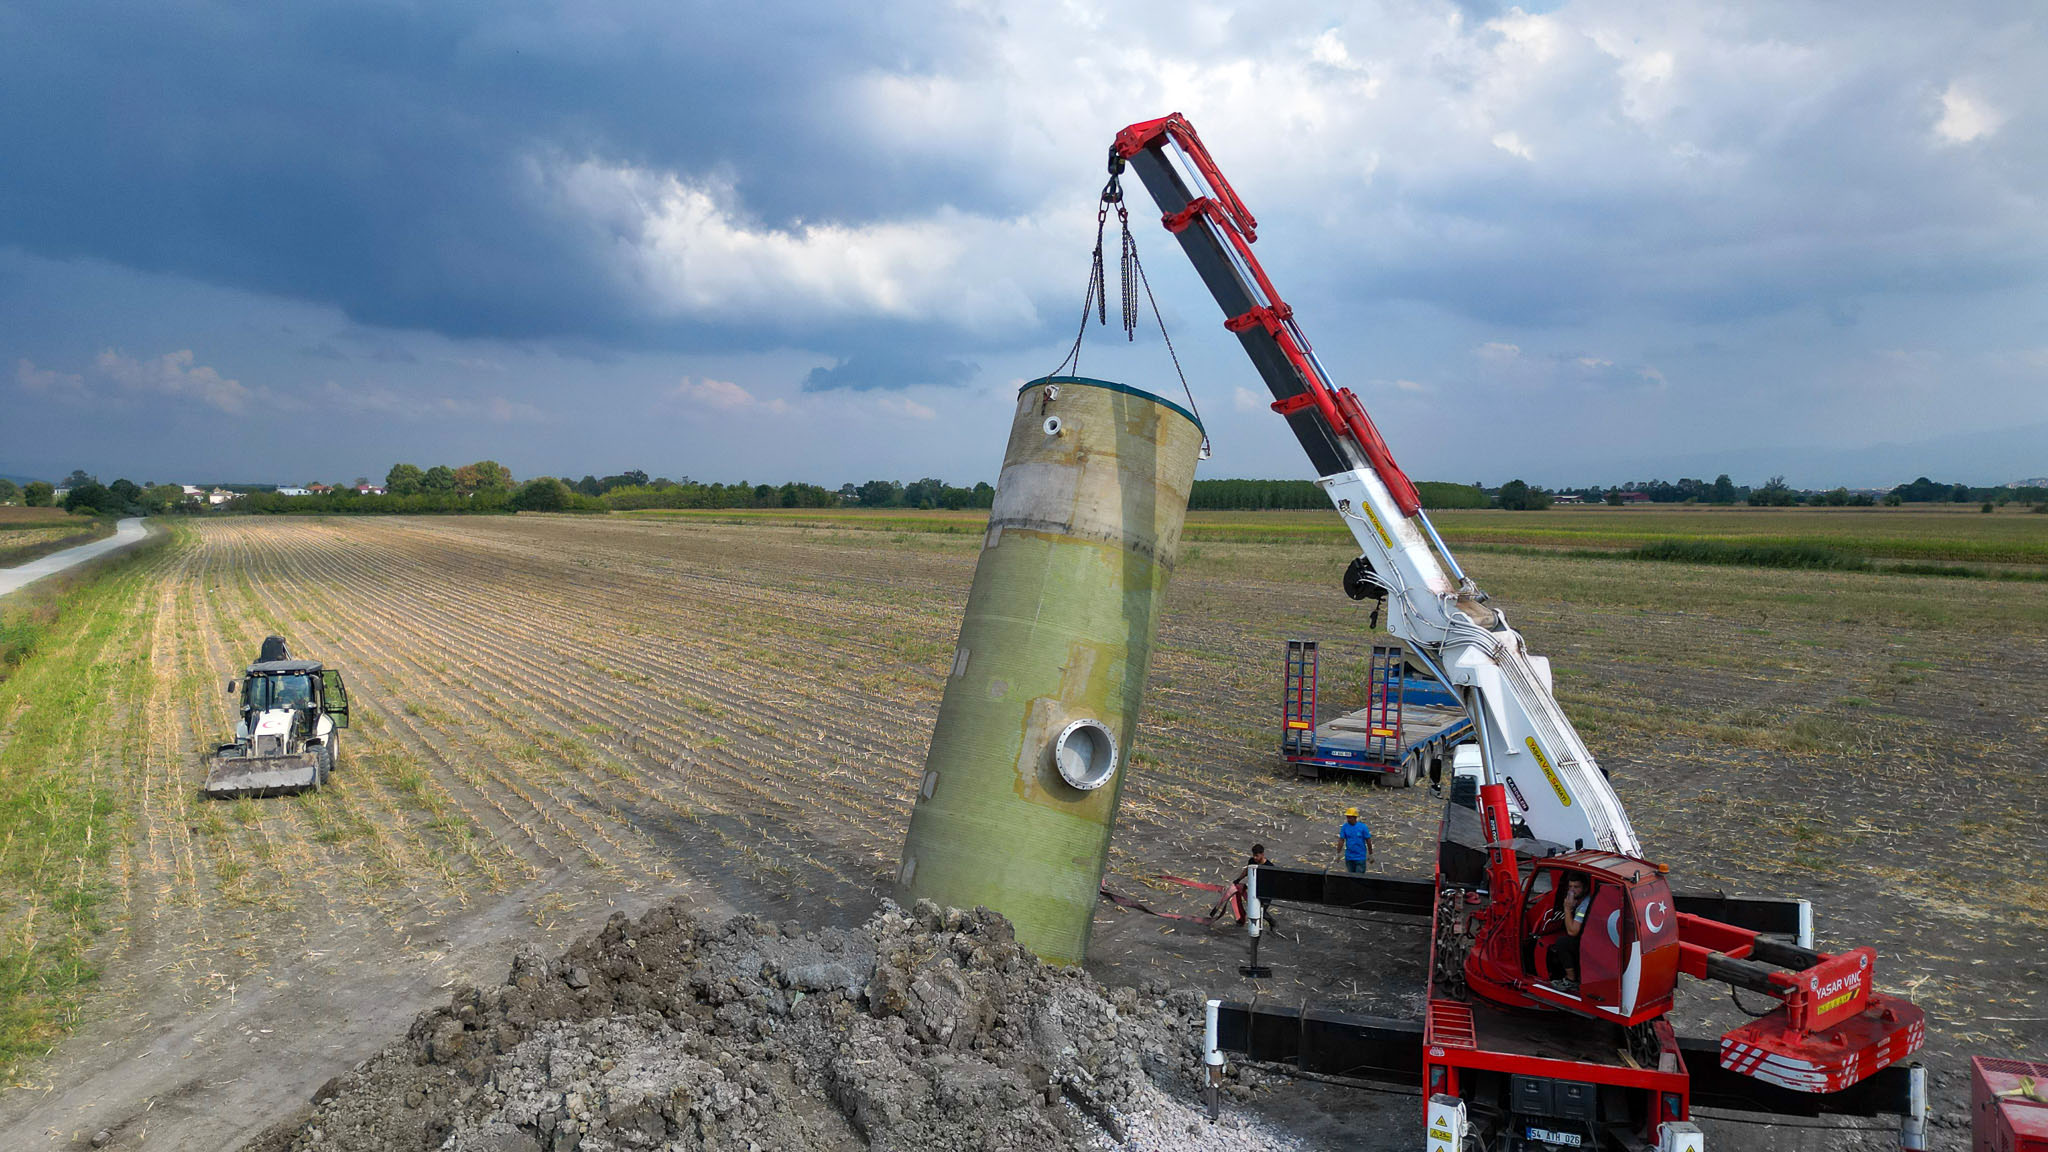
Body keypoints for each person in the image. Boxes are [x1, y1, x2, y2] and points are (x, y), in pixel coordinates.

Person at [1546, 875, 1591, 992]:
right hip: (1590, 936)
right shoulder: (1582, 900)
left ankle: (1571, 980)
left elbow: (1572, 931)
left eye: (1576, 887)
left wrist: (1567, 909)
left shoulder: (1584, 906)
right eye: (1570, 886)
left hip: (1589, 942)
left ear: (1585, 888)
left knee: (1563, 942)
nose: (1572, 890)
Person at [1337, 807, 1372, 873]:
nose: (1348, 819)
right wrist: (1338, 853)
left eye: (1350, 817)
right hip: (1349, 857)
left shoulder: (1362, 827)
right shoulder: (1345, 827)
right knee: (1351, 877)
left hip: (1360, 857)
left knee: (1359, 877)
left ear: (1355, 817)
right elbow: (1341, 840)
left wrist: (1370, 854)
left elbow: (1368, 841)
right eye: (1347, 817)